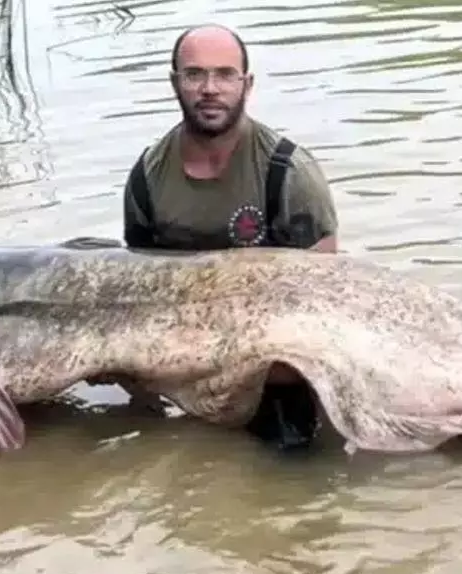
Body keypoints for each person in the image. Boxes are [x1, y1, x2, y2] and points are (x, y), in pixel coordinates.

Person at [117, 23, 341, 451]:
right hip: (179, 359)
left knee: (298, 472)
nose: (209, 88)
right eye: (194, 74)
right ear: (174, 83)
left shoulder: (289, 172)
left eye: (224, 74)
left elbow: (324, 308)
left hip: (273, 364)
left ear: (247, 84)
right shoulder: (146, 177)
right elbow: (134, 293)